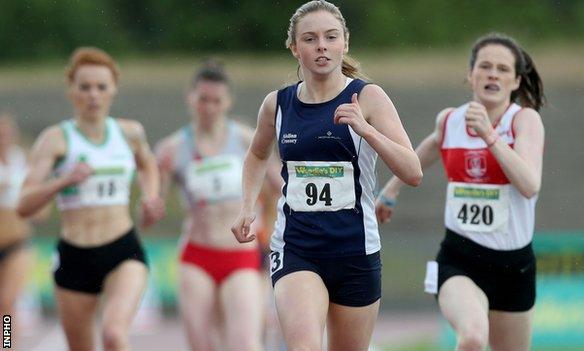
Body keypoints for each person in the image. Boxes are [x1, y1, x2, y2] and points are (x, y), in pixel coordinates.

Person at [231, 1, 422, 350]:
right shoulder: (277, 104)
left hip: (355, 250)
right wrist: (247, 206)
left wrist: (368, 131)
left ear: (344, 43)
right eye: (310, 38)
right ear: (295, 48)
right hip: (297, 248)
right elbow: (257, 153)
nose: (321, 45)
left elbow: (412, 171)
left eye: (331, 37)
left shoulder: (367, 97)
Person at [376, 32, 545, 351]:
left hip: (514, 266)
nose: (492, 73)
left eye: (502, 69)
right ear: (470, 76)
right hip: (460, 260)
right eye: (484, 66)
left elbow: (529, 184)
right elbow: (430, 147)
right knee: (472, 337)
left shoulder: (524, 122)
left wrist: (490, 137)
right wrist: (390, 189)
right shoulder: (450, 120)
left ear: (516, 81)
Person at [17, 47, 164, 351]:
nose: (93, 95)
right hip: (74, 256)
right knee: (7, 308)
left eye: (101, 87)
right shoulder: (55, 140)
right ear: (72, 91)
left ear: (113, 90)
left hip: (122, 250)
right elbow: (24, 204)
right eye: (85, 87)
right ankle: (6, 344)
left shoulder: (129, 133)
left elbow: (148, 163)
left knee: (113, 334)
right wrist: (63, 180)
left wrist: (150, 197)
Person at [156, 60, 281, 351]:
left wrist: (271, 225)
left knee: (245, 344)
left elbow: (281, 184)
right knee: (203, 345)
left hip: (241, 254)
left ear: (228, 102)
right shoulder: (172, 149)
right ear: (191, 98)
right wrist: (154, 197)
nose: (209, 107)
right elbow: (153, 209)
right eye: (203, 99)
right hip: (197, 254)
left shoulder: (246, 139)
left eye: (216, 101)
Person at [0, 112, 47, 349]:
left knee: (7, 302)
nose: (3, 138)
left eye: (7, 133)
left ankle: (8, 346)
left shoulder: (24, 162)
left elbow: (40, 207)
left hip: (16, 241)